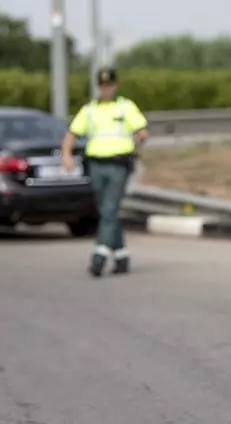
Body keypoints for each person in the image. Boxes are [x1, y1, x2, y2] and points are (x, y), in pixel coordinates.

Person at [61, 67, 149, 278]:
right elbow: (72, 134)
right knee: (106, 211)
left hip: (119, 164)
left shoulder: (125, 107)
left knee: (109, 209)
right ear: (98, 87)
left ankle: (98, 257)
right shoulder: (90, 110)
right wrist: (66, 155)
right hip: (97, 165)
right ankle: (121, 256)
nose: (106, 89)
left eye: (109, 86)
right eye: (102, 86)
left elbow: (143, 132)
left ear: (115, 86)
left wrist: (133, 144)